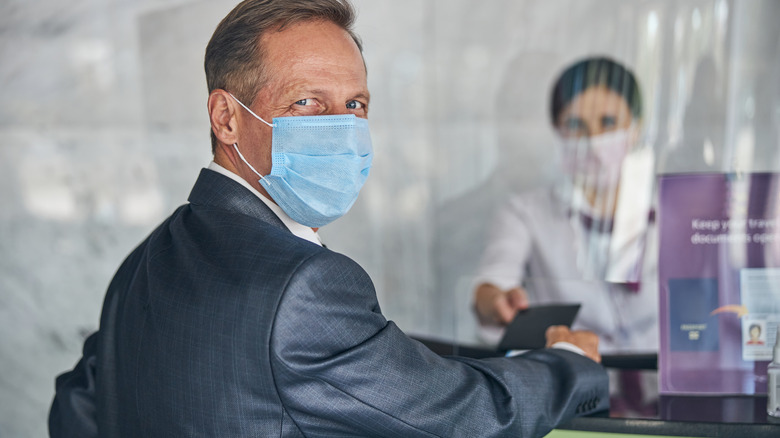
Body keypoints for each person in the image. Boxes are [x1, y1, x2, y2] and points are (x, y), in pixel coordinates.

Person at [48, 1, 609, 436]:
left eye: (355, 104)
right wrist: (568, 363)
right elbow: (471, 418)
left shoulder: (146, 260)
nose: (342, 128)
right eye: (306, 103)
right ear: (226, 117)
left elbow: (78, 404)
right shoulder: (305, 286)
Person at [473, 56, 658, 354]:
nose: (594, 140)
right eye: (575, 125)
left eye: (608, 123)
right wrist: (497, 300)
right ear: (557, 132)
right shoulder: (525, 214)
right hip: (575, 390)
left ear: (635, 128)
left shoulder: (674, 211)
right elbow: (492, 282)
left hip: (662, 387)